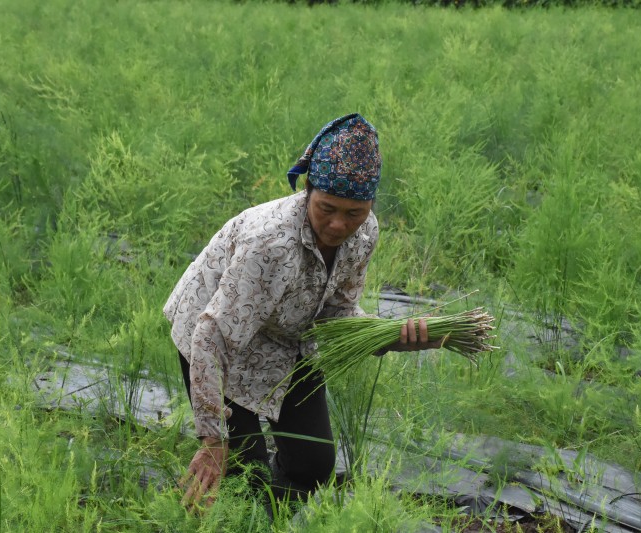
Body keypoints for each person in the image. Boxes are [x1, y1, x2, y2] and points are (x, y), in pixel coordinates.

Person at [163, 113, 441, 510]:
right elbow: (212, 335)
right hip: (218, 335)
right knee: (247, 473)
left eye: (353, 213)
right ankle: (237, 515)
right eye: (327, 208)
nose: (338, 225)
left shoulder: (366, 233)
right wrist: (212, 438)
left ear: (370, 205)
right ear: (307, 191)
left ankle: (268, 519)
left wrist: (391, 337)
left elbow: (337, 312)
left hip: (287, 335)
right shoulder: (270, 243)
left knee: (313, 464)